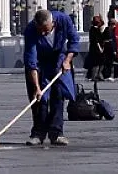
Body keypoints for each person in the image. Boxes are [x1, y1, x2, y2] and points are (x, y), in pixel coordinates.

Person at [23, 9, 79, 146]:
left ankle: (56, 133)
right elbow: (32, 60)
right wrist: (36, 87)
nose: (42, 33)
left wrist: (67, 61)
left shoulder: (64, 20)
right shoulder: (31, 30)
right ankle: (38, 133)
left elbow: (74, 40)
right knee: (39, 99)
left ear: (53, 23)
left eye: (45, 30)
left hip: (58, 59)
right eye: (40, 30)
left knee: (58, 96)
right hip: (40, 62)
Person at [86, 15, 105, 81]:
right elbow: (96, 40)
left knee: (101, 62)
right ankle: (94, 76)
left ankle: (98, 74)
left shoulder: (96, 29)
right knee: (96, 63)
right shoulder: (93, 29)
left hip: (98, 48)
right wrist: (100, 47)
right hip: (95, 48)